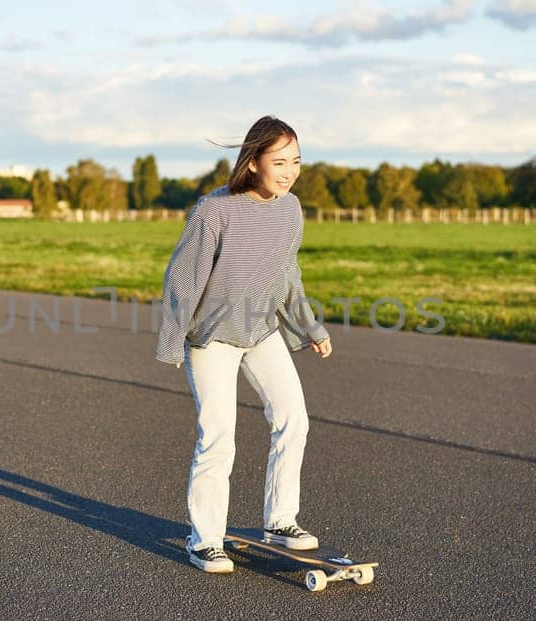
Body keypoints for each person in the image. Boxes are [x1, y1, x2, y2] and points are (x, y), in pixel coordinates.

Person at [155, 115, 333, 574]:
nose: (290, 171)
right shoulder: (214, 210)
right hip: (212, 339)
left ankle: (280, 520)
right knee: (218, 439)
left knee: (294, 418)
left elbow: (286, 274)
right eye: (280, 162)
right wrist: (174, 340)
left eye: (297, 161)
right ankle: (205, 540)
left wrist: (310, 327)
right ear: (253, 162)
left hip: (262, 332)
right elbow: (184, 276)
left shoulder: (291, 210)